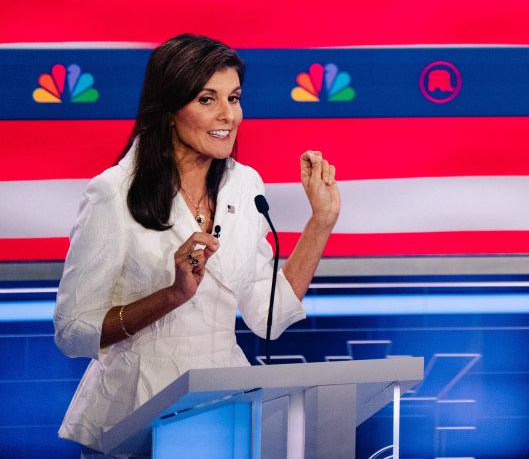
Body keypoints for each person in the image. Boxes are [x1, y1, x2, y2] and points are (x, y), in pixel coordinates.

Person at [53, 33, 341, 452]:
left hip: (224, 407)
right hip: (133, 414)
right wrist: (172, 295)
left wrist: (321, 222)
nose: (229, 115)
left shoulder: (245, 185)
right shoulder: (112, 192)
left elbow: (269, 314)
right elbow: (71, 332)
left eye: (235, 98)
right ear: (169, 110)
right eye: (207, 100)